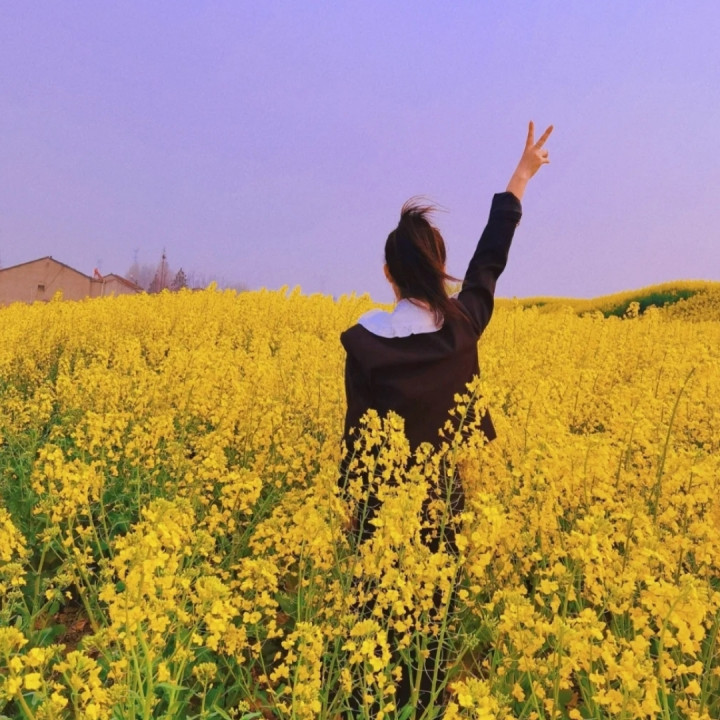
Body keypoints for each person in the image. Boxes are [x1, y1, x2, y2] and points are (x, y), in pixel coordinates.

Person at [339, 121, 553, 717]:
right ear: (439, 267)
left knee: (372, 643)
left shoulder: (365, 343)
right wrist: (521, 177)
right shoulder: (463, 326)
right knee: (431, 641)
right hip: (444, 507)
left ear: (388, 274)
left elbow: (357, 437)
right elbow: (489, 263)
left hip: (381, 514)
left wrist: (349, 509)